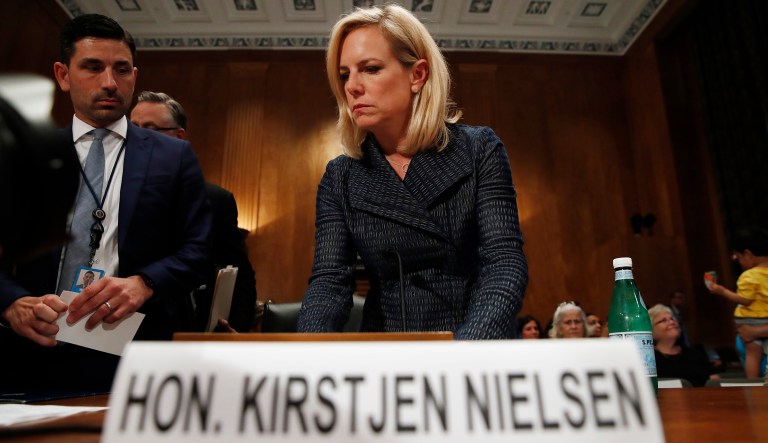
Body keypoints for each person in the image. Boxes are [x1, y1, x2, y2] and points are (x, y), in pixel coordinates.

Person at [0, 14, 211, 394]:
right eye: (93, 68)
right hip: (34, 353)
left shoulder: (173, 156)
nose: (110, 83)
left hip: (137, 356)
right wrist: (12, 303)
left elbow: (200, 249)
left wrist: (144, 283)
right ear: (63, 75)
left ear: (134, 74)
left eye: (122, 70)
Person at [296, 4, 527, 339]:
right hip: (389, 349)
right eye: (345, 74)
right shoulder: (340, 177)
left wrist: (467, 352)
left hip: (473, 344)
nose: (352, 87)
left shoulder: (479, 149)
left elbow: (504, 265)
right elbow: (329, 283)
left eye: (371, 69)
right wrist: (304, 358)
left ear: (417, 75)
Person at [130, 90, 258, 332]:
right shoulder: (114, 194)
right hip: (123, 333)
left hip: (191, 332)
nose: (137, 139)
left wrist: (237, 332)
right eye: (132, 129)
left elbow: (239, 274)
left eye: (148, 129)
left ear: (178, 137)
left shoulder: (215, 201)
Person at [707, 227, 768, 378]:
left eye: (737, 255)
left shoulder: (749, 276)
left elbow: (745, 300)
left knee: (753, 354)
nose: (734, 259)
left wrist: (722, 291)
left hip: (753, 325)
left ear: (748, 254)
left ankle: (752, 383)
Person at [648, 304, 720, 386]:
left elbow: (715, 382)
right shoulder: (648, 360)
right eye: (664, 320)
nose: (672, 322)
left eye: (672, 318)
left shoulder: (695, 354)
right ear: (651, 330)